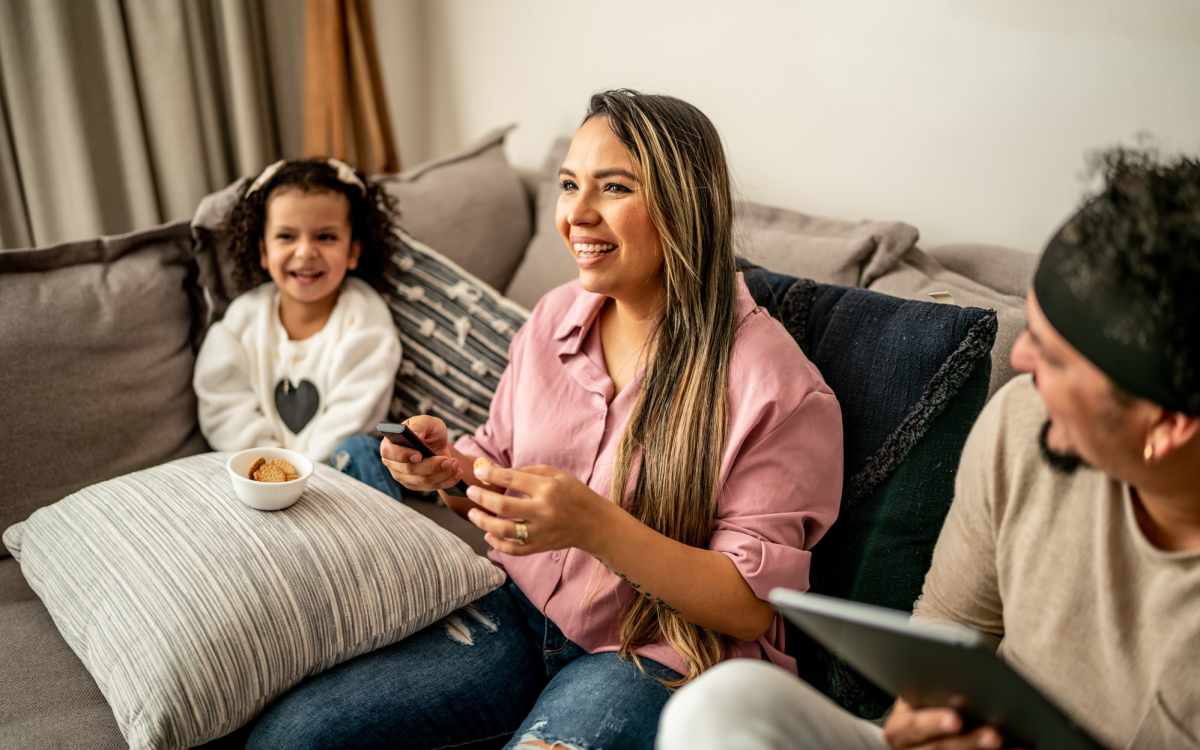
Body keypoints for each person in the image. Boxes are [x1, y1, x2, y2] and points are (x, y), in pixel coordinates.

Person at [244, 89, 843, 750]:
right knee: (295, 737)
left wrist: (595, 526)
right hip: (518, 615)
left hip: (654, 659)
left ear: (684, 203)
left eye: (613, 187)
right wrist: (448, 475)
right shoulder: (556, 316)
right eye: (567, 185)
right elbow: (498, 463)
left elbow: (747, 604)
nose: (575, 216)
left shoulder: (777, 389)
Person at [655, 147, 1200, 750]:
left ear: (1167, 425)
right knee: (725, 703)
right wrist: (915, 723)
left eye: (1053, 355)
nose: (1019, 359)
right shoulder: (1022, 425)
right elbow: (950, 632)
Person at [194, 158, 403, 466]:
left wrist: (304, 472)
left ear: (353, 252)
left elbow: (356, 409)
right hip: (259, 473)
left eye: (326, 237)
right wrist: (272, 467)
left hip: (338, 473)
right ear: (264, 252)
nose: (305, 252)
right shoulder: (242, 320)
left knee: (361, 450)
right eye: (287, 236)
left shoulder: (365, 318)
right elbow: (223, 403)